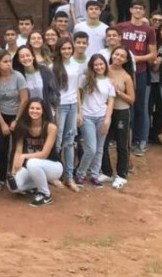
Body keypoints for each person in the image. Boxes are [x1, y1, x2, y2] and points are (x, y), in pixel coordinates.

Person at [117, 0, 157, 157]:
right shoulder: (121, 27)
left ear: (144, 12)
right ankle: (121, 138)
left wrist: (135, 59)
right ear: (131, 10)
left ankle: (140, 140)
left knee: (140, 106)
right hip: (121, 72)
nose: (138, 11)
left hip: (140, 72)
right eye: (135, 8)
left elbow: (153, 54)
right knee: (123, 105)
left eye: (141, 8)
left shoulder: (149, 30)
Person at [0, 49, 27, 190]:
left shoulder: (18, 77)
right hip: (1, 116)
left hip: (18, 116)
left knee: (17, 147)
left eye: (9, 61)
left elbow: (24, 99)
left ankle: (14, 176)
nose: (8, 64)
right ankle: (1, 178)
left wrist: (16, 120)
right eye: (5, 62)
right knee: (0, 148)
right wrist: (2, 123)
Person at [8, 98, 60, 207]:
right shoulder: (22, 126)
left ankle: (45, 194)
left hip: (53, 166)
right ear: (27, 110)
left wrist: (24, 156)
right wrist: (13, 171)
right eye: (32, 108)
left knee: (32, 162)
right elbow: (18, 151)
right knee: (13, 186)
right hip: (32, 168)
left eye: (38, 109)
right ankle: (37, 184)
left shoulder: (51, 127)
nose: (34, 111)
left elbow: (44, 154)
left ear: (43, 111)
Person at [74, 55, 115, 187]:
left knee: (99, 148)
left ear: (105, 65)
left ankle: (94, 174)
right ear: (91, 66)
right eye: (96, 65)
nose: (99, 67)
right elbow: (77, 95)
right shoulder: (85, 79)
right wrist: (78, 112)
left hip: (102, 117)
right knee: (91, 148)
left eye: (101, 64)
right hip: (87, 117)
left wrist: (107, 120)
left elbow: (110, 103)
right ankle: (80, 173)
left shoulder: (109, 82)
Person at [52, 39, 85, 191]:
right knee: (57, 142)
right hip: (59, 107)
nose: (66, 51)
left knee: (70, 142)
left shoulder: (76, 65)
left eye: (69, 48)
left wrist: (79, 111)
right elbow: (51, 91)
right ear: (59, 50)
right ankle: (53, 175)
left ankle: (69, 176)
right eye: (63, 48)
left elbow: (77, 90)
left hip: (72, 106)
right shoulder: (53, 67)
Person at [101, 47, 134, 189]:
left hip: (121, 112)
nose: (118, 57)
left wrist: (118, 92)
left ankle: (121, 174)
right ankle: (107, 172)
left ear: (126, 60)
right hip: (105, 111)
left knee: (122, 144)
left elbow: (131, 99)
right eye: (116, 54)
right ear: (112, 55)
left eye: (122, 56)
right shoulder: (103, 69)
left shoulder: (126, 76)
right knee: (102, 143)